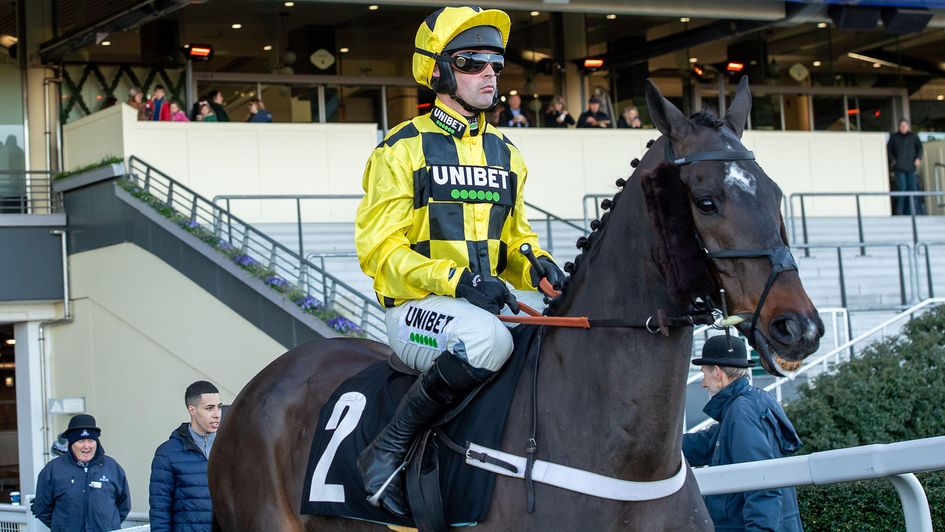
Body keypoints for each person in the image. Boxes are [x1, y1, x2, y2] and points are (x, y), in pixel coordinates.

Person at [354, 6, 564, 517]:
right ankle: (388, 448)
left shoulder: (506, 153)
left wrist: (537, 263)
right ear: (440, 71)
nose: (490, 72)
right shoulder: (399, 150)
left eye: (496, 62)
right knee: (485, 339)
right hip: (416, 312)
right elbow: (380, 252)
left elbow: (513, 240)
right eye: (473, 62)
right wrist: (459, 281)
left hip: (481, 305)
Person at [683, 336, 803, 531]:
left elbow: (762, 482)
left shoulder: (741, 412)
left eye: (704, 374)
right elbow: (704, 443)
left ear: (718, 373)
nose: (703, 383)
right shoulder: (749, 402)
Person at [32, 414, 131, 532]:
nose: (86, 446)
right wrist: (63, 527)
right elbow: (42, 509)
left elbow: (124, 506)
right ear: (71, 443)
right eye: (81, 440)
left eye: (90, 440)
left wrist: (106, 525)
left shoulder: (112, 467)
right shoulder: (52, 470)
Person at [149, 381, 223, 532]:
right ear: (192, 410)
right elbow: (160, 512)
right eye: (209, 408)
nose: (217, 414)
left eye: (219, 407)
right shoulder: (167, 454)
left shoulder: (228, 448)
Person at [887, 118, 924, 215]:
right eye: (901, 125)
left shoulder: (913, 136)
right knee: (902, 188)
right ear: (899, 127)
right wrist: (893, 161)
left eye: (905, 125)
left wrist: (918, 158)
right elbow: (889, 150)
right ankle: (900, 210)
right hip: (899, 168)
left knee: (912, 188)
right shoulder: (894, 137)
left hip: (911, 167)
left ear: (908, 126)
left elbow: (919, 148)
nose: (903, 127)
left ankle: (912, 209)